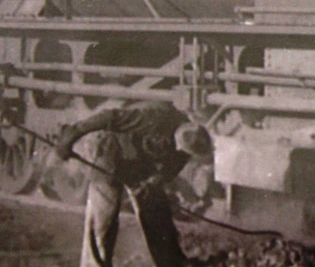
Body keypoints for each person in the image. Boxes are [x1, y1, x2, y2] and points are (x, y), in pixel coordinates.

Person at [54, 102, 213, 267]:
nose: (180, 153)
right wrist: (73, 134)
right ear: (176, 137)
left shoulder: (189, 144)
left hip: (140, 162)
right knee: (103, 213)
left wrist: (153, 182)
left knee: (156, 209)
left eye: (183, 152)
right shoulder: (154, 118)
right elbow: (110, 116)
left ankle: (170, 262)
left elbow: (171, 168)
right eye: (179, 149)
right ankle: (94, 264)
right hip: (112, 151)